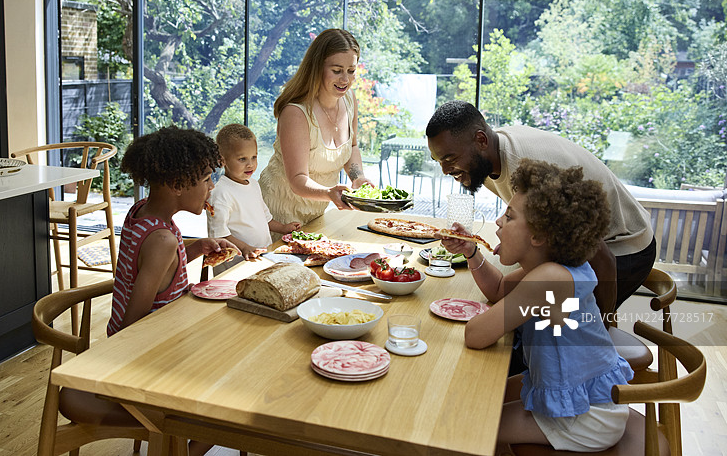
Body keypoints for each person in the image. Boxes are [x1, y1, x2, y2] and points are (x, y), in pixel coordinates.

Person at [443, 159, 633, 454]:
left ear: (539, 236)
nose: (498, 223)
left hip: (587, 417)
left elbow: (476, 335)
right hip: (586, 399)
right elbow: (497, 290)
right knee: (477, 398)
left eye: (509, 216)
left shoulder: (549, 279)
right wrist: (472, 251)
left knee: (467, 422)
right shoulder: (554, 268)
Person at [426, 101, 655, 315]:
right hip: (581, 248)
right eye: (438, 160)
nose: (445, 170)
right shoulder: (483, 157)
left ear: (481, 140)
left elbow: (602, 259)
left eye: (449, 158)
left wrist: (602, 329)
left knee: (559, 331)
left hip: (622, 248)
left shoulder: (531, 168)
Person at [107, 126, 238, 337]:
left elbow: (159, 270)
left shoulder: (141, 211)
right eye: (206, 179)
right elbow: (131, 325)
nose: (211, 187)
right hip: (147, 346)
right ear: (177, 185)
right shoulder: (162, 240)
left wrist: (198, 248)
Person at [259, 28, 374, 230]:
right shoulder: (296, 113)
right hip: (275, 215)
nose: (345, 80)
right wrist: (330, 193)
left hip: (315, 215)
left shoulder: (349, 100)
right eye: (337, 71)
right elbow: (297, 180)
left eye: (351, 71)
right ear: (316, 68)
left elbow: (352, 146)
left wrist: (358, 178)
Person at [208, 124, 301, 261]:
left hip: (262, 256)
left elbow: (265, 218)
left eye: (254, 157)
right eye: (242, 159)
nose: (250, 164)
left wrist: (283, 228)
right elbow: (218, 234)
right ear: (222, 160)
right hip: (237, 263)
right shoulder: (220, 193)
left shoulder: (254, 184)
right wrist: (244, 247)